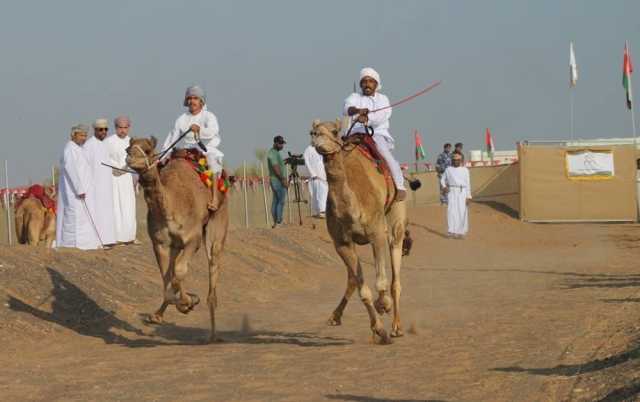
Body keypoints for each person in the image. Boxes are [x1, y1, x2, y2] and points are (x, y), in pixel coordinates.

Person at [344, 67, 407, 201]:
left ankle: (400, 186)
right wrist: (357, 110)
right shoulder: (355, 97)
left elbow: (382, 115)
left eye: (370, 81)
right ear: (361, 84)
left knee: (384, 153)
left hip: (376, 134)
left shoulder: (383, 99)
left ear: (376, 84)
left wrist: (367, 118)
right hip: (355, 133)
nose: (367, 84)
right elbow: (347, 108)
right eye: (364, 81)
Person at [160, 85, 223, 210]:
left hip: (206, 149)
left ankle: (215, 199)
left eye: (195, 98)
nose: (192, 101)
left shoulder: (209, 116)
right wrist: (162, 155)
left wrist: (200, 129)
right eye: (190, 98)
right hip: (187, 150)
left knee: (212, 162)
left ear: (201, 101)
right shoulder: (181, 119)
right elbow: (172, 138)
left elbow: (213, 131)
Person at [56, 124, 102, 250]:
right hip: (75, 193)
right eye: (81, 135)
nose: (84, 138)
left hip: (84, 192)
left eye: (85, 136)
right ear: (73, 135)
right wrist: (79, 189)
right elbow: (71, 171)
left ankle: (87, 244)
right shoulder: (70, 149)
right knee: (75, 218)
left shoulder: (79, 149)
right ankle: (73, 244)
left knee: (85, 217)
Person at [105, 116, 138, 245]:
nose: (123, 130)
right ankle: (116, 236)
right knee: (115, 206)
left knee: (128, 206)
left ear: (129, 128)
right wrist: (114, 168)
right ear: (116, 128)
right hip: (113, 178)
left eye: (125, 127)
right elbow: (104, 158)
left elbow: (135, 160)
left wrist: (126, 168)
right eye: (120, 127)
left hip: (127, 178)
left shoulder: (132, 142)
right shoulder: (108, 142)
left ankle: (129, 236)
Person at [83, 118, 116, 247]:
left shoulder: (105, 144)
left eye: (105, 129)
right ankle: (97, 241)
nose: (103, 132)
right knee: (97, 213)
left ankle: (108, 239)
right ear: (95, 130)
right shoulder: (89, 145)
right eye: (100, 129)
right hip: (95, 187)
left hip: (106, 186)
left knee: (107, 212)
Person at [440, 153, 471, 239]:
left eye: (457, 160)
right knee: (451, 211)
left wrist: (468, 196)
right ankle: (451, 231)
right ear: (452, 160)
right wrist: (444, 187)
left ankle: (461, 232)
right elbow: (442, 180)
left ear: (460, 161)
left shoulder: (465, 170)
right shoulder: (448, 169)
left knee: (462, 211)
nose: (455, 161)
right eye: (454, 160)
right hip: (452, 191)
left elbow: (468, 184)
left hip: (462, 192)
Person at [267, 135, 288, 227]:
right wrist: (283, 179)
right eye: (280, 143)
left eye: (282, 143)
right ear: (275, 143)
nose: (282, 145)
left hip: (276, 180)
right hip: (277, 180)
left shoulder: (275, 153)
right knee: (280, 201)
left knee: (276, 201)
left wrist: (284, 162)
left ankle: (276, 222)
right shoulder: (272, 153)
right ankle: (278, 222)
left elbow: (277, 164)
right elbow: (275, 167)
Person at [303, 144, 327, 218]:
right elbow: (306, 161)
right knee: (316, 194)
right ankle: (320, 211)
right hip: (315, 176)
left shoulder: (323, 148)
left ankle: (323, 210)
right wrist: (312, 173)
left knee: (324, 193)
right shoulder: (308, 149)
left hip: (323, 175)